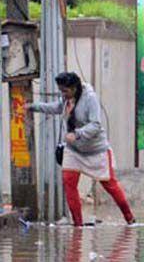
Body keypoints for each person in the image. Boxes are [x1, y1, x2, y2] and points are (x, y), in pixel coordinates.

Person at [28, 72, 135, 227]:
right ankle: (78, 225)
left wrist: (77, 134)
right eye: (61, 91)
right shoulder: (66, 99)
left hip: (95, 150)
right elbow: (56, 107)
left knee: (109, 185)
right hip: (74, 150)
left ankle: (129, 217)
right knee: (68, 182)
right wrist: (33, 107)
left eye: (65, 91)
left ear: (75, 88)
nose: (63, 94)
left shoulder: (90, 98)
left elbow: (96, 125)